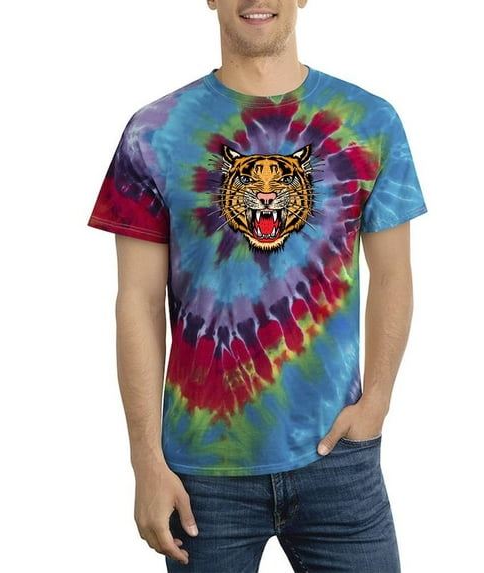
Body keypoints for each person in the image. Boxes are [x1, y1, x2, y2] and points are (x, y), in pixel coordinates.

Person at [88, 1, 427, 570]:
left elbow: (393, 275)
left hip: (339, 456)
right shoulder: (154, 131)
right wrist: (145, 459)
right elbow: (137, 302)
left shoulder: (369, 120)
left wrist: (376, 403)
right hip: (201, 470)